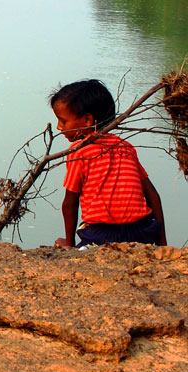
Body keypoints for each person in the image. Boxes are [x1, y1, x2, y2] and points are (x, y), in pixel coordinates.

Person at [50, 79, 166, 248]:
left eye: (63, 121)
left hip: (103, 235)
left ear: (88, 120)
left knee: (81, 243)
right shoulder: (126, 147)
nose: (59, 127)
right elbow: (153, 195)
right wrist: (162, 244)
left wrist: (69, 244)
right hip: (142, 232)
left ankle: (78, 248)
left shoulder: (79, 151)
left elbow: (70, 204)